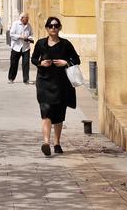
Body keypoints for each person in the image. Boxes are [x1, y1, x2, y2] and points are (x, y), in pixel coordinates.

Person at [31, 16, 80, 156]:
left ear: (59, 28)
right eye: (51, 26)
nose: (53, 28)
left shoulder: (66, 44)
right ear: (46, 28)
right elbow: (34, 59)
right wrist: (41, 63)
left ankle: (57, 143)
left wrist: (66, 63)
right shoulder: (41, 44)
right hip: (44, 83)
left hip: (61, 84)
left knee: (59, 115)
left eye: (56, 26)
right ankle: (46, 142)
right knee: (46, 112)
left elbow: (76, 59)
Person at [8, 13, 33, 84]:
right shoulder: (15, 24)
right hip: (16, 47)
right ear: (22, 18)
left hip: (26, 47)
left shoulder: (29, 25)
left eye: (28, 18)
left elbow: (31, 34)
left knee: (26, 64)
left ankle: (26, 79)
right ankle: (11, 78)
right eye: (26, 18)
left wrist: (29, 38)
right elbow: (11, 34)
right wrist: (20, 36)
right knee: (14, 63)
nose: (27, 20)